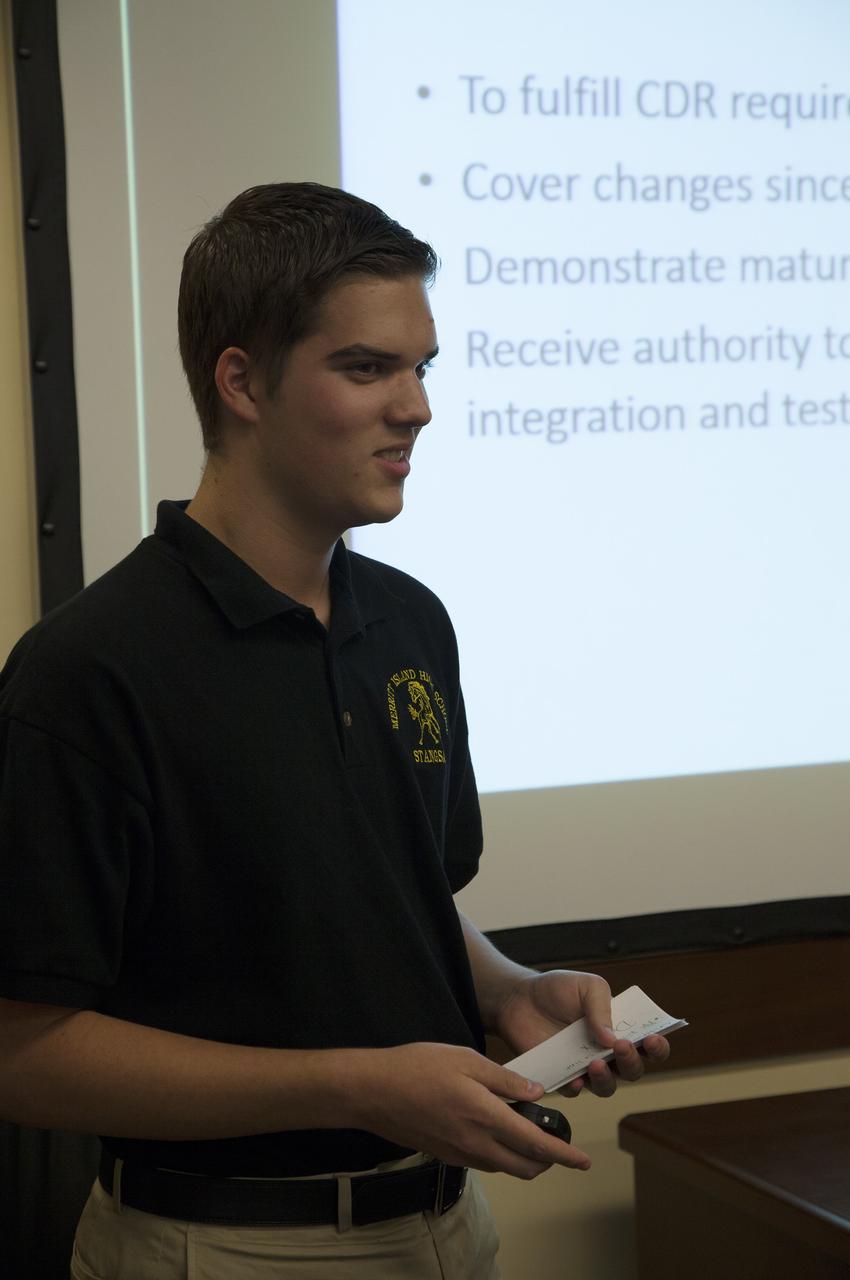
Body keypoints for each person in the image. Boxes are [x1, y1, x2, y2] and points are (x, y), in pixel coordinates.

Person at [0, 183, 668, 1279]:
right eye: (367, 369)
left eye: (422, 369)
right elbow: (20, 1052)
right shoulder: (91, 670)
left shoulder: (408, 621)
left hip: (447, 1229)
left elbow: (388, 896)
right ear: (242, 381)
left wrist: (506, 989)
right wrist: (350, 1083)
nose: (415, 408)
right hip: (220, 1244)